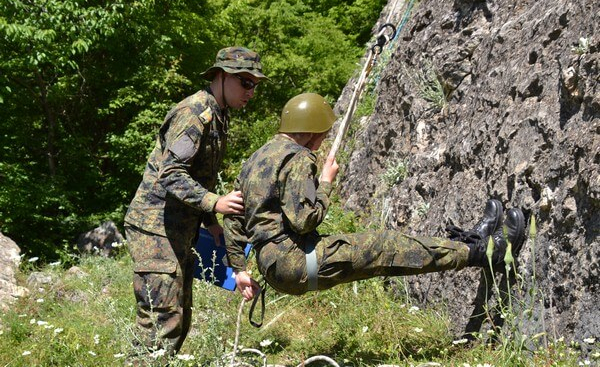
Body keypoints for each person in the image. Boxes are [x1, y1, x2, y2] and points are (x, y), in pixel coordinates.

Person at [223, 92, 526, 302]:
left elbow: (234, 218)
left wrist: (240, 270)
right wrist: (325, 182)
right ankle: (486, 254)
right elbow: (305, 220)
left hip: (274, 266)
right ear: (314, 132)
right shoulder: (300, 158)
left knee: (382, 255)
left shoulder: (256, 159)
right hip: (296, 261)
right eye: (324, 135)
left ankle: (467, 246)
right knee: (387, 246)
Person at [123, 46, 268, 358]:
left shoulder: (219, 115)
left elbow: (199, 175)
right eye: (245, 82)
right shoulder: (194, 114)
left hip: (180, 230)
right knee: (160, 322)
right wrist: (215, 203)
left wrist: (211, 223)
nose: (251, 92)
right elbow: (170, 174)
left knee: (180, 318)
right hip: (154, 229)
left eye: (255, 85)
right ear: (220, 76)